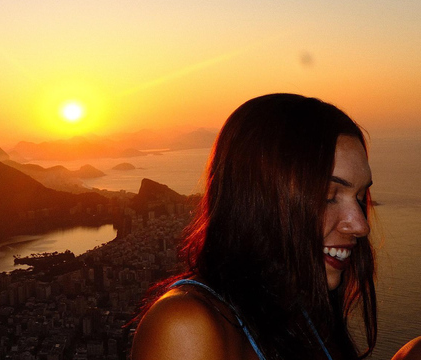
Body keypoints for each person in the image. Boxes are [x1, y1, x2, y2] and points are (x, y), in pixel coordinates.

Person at [131, 94, 421, 360]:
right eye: (328, 196)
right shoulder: (186, 326)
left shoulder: (297, 310)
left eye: (359, 197)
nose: (360, 225)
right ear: (259, 200)